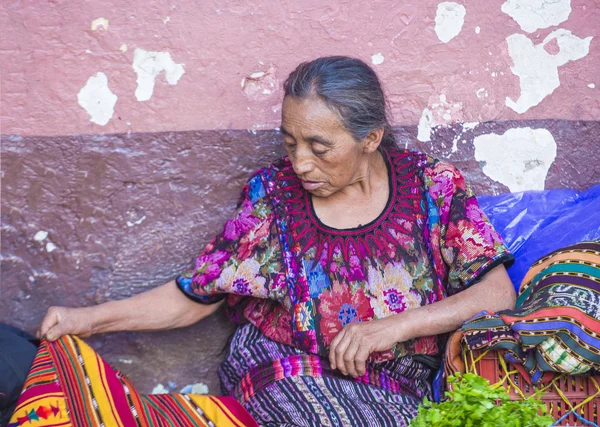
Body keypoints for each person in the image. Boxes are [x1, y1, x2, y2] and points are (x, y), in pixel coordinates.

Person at [38, 56, 516, 426]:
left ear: (370, 138)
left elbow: (496, 292)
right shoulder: (273, 198)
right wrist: (86, 321)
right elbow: (199, 294)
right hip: (285, 368)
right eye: (290, 143)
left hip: (394, 387)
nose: (301, 163)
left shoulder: (433, 187)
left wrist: (390, 327)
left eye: (319, 147)